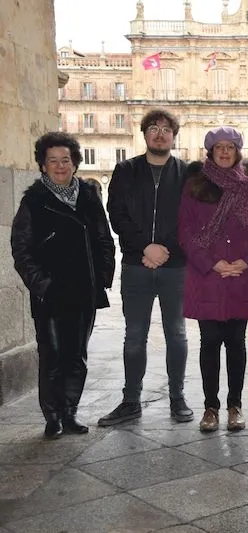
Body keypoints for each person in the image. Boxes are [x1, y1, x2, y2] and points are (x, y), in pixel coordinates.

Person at [11, 132, 115, 438]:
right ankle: (53, 416)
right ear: (43, 165)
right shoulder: (34, 201)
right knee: (52, 356)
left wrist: (102, 277)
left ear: (75, 163)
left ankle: (70, 412)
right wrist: (42, 285)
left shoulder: (88, 196)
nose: (60, 166)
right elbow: (21, 249)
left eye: (65, 160)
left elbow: (104, 239)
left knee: (76, 356)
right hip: (51, 293)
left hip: (84, 290)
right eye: (53, 161)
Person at [99, 109, 192, 426]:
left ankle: (177, 397)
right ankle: (130, 401)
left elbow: (191, 219)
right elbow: (117, 214)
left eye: (166, 129)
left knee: (176, 334)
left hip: (174, 267)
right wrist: (145, 248)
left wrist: (165, 249)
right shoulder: (125, 170)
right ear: (144, 134)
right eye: (154, 127)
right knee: (134, 335)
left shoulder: (186, 173)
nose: (160, 133)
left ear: (174, 136)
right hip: (136, 266)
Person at [178, 127, 248, 432]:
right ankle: (210, 407)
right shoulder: (195, 185)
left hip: (239, 275)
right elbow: (185, 230)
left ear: (237, 151)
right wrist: (211, 263)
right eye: (219, 147)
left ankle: (235, 405)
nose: (225, 152)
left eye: (230, 147)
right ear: (210, 151)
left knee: (237, 343)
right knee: (210, 342)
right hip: (208, 277)